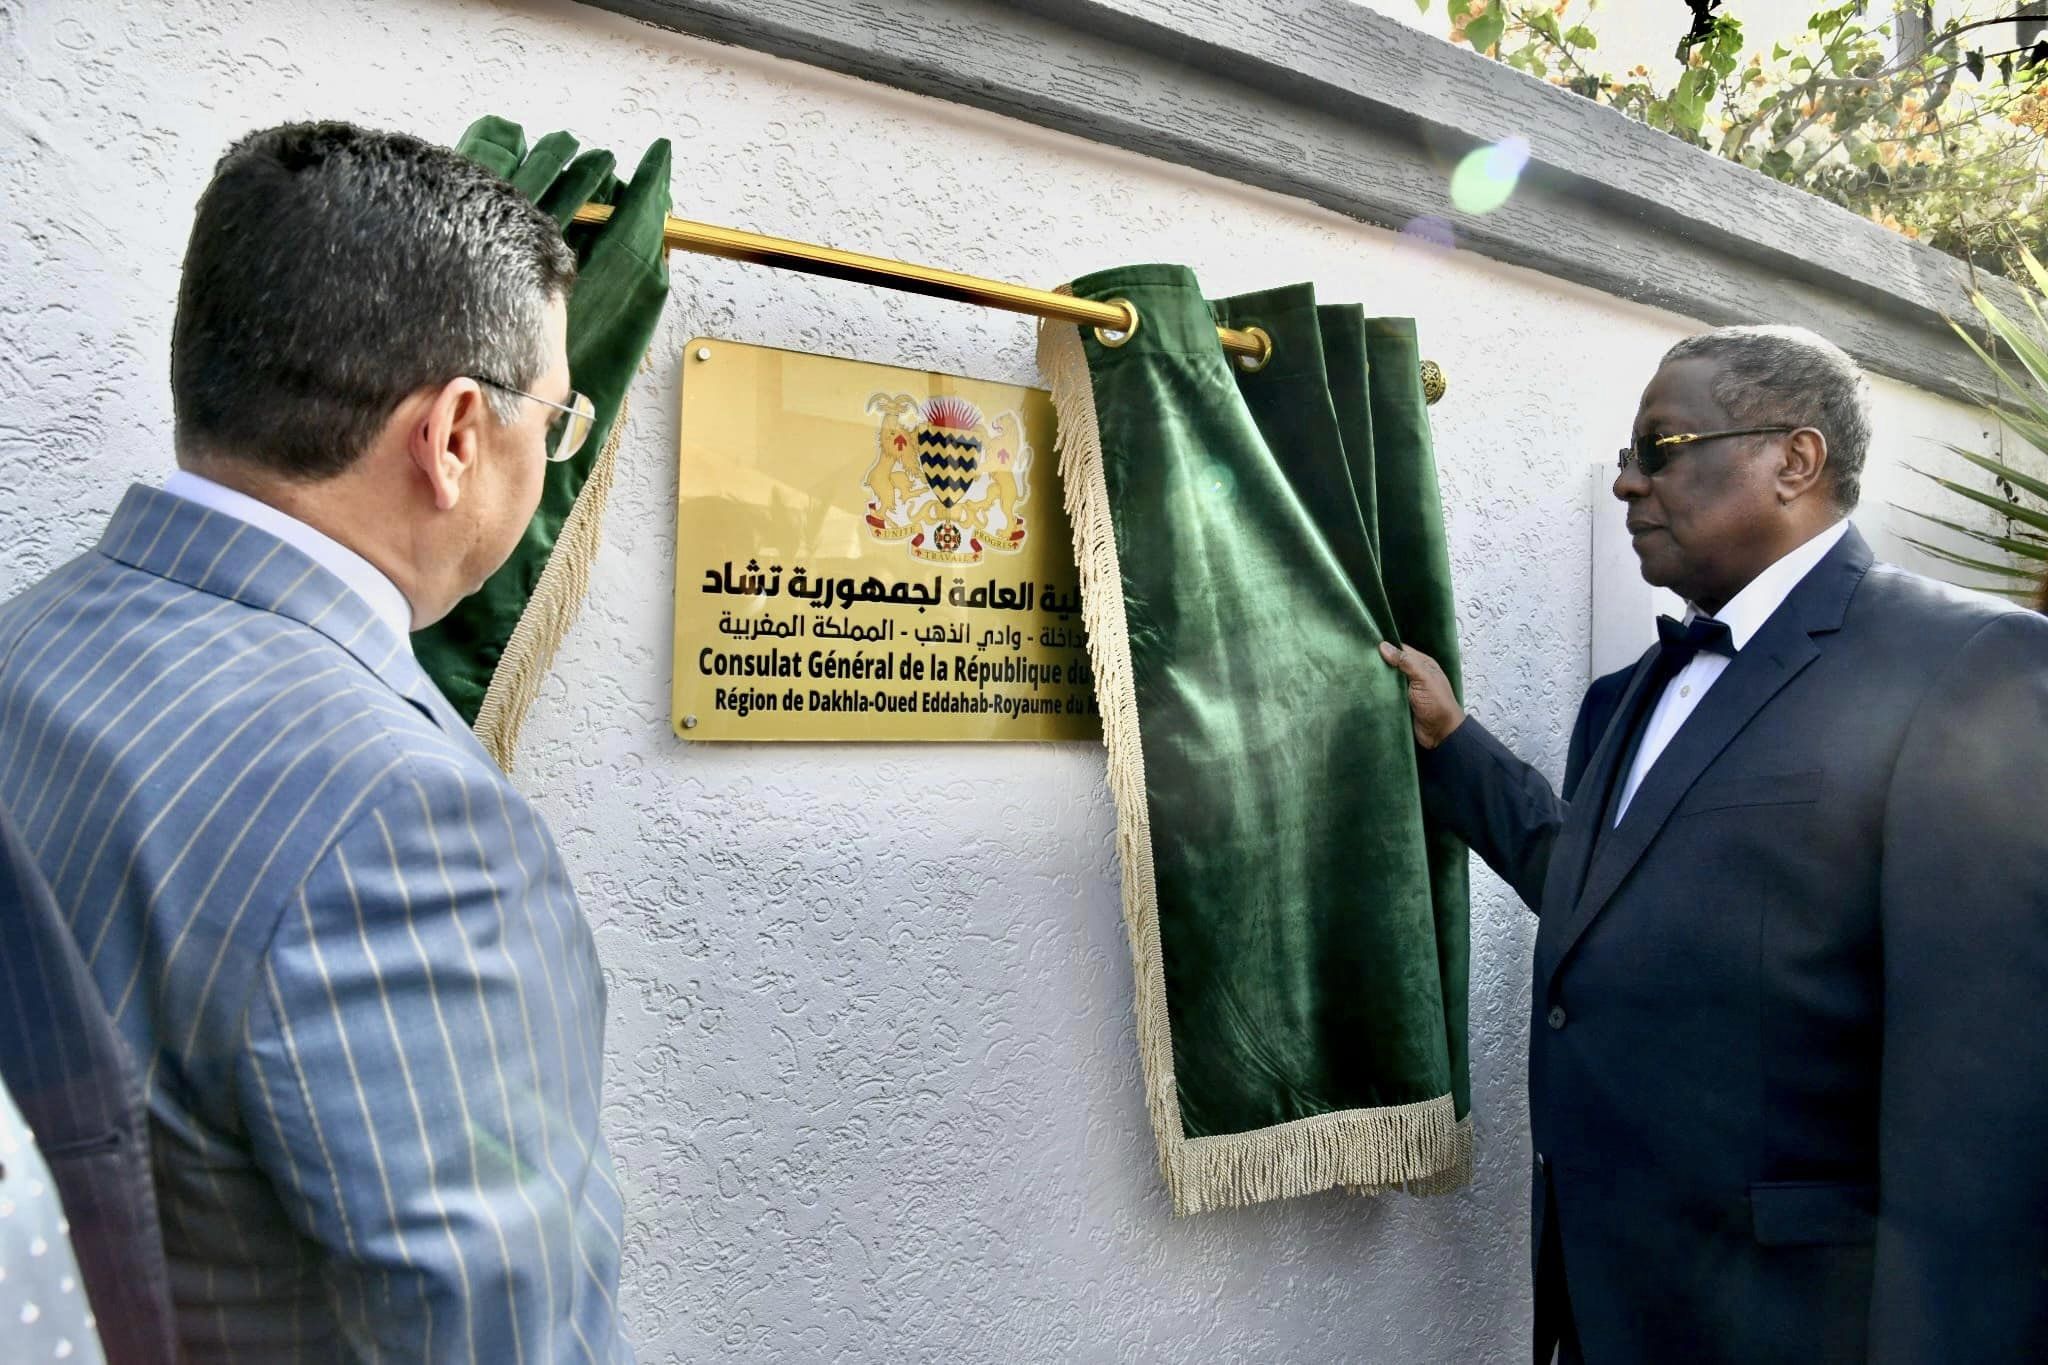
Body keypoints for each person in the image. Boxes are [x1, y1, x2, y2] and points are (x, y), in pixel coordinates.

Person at [0, 122, 629, 1360]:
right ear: (454, 436)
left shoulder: (31, 639)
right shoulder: (404, 822)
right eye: (552, 422)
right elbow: (496, 1330)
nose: (548, 459)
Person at [1380, 325, 2048, 1364]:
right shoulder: (1622, 698)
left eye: (1660, 448)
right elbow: (1604, 901)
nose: (1626, 486)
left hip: (1793, 1320)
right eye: (1623, 459)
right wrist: (1453, 747)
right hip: (1606, 1303)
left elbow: (1986, 1085)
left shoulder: (1963, 662)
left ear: (1793, 459)